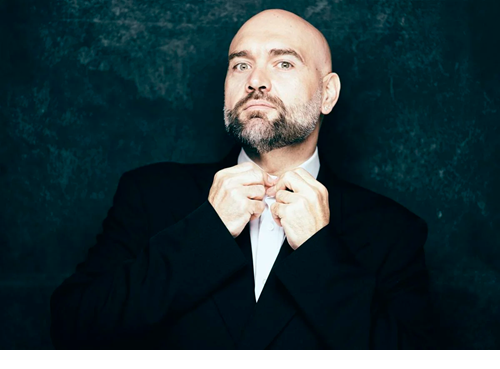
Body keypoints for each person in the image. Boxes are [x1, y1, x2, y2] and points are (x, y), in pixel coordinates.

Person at [51, 9, 434, 350]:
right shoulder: (150, 195)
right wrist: (205, 232)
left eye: (284, 63)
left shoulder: (392, 231)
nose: (256, 81)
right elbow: (74, 327)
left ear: (328, 94)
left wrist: (320, 253)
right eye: (240, 65)